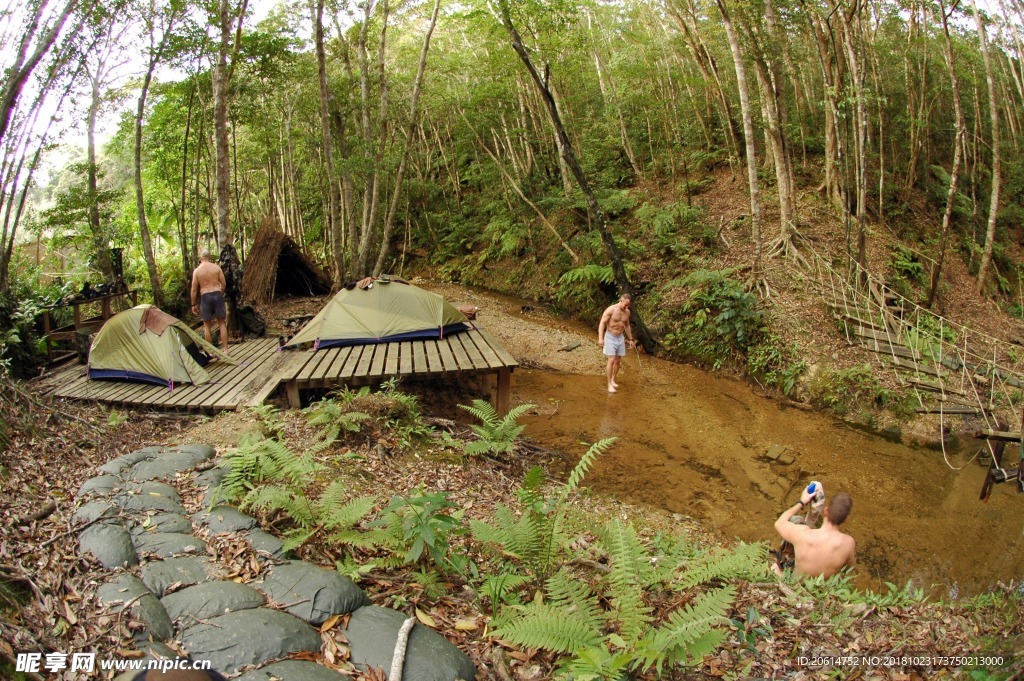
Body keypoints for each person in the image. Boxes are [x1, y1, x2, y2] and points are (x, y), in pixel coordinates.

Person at [774, 490, 856, 578]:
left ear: (826, 510)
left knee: (796, 520)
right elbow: (849, 568)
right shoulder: (848, 543)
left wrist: (801, 502)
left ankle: (784, 564)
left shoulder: (803, 534)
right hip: (818, 588)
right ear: (844, 520)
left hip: (794, 585)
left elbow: (779, 523)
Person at [190, 248, 229, 354]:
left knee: (207, 325)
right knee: (222, 322)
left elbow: (194, 289)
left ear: (201, 258)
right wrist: (220, 292)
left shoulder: (197, 271)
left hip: (205, 296)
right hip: (217, 294)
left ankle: (211, 352)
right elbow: (224, 284)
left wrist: (193, 304)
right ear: (209, 257)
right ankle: (226, 349)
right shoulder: (216, 268)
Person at [597, 293, 635, 394]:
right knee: (612, 359)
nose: (626, 307)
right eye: (625, 305)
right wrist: (600, 338)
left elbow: (627, 326)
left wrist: (631, 339)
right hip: (610, 337)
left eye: (628, 306)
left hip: (620, 338)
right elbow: (602, 323)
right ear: (621, 300)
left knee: (618, 360)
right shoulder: (611, 310)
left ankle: (613, 379)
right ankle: (609, 384)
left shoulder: (627, 312)